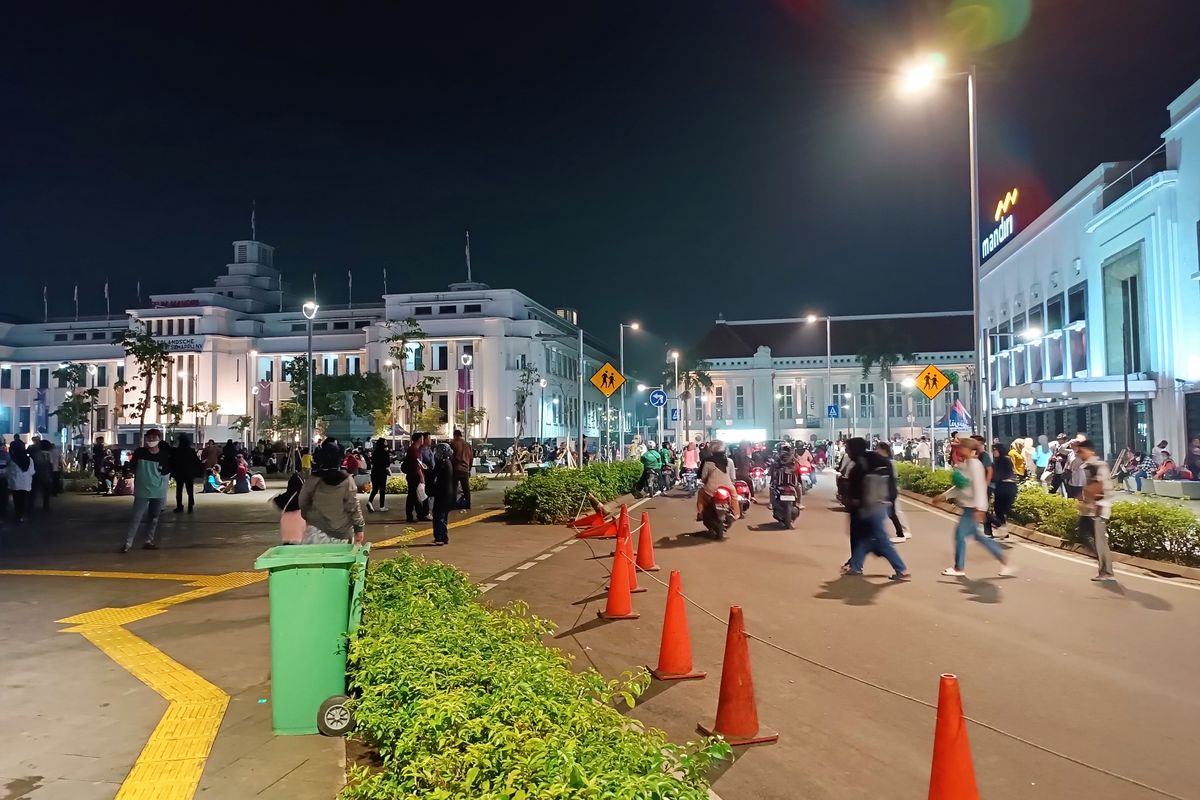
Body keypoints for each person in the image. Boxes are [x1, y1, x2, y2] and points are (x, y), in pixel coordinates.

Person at [934, 438, 1012, 577]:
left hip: (973, 508)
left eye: (961, 447)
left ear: (970, 450)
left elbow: (980, 487)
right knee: (979, 537)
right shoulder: (966, 465)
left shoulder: (975, 465)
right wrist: (944, 496)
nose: (958, 450)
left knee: (959, 536)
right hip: (969, 507)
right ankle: (1003, 559)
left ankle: (959, 568)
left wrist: (980, 508)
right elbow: (961, 486)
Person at [843, 438, 909, 580]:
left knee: (880, 540)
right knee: (865, 539)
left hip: (869, 507)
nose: (847, 452)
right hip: (882, 504)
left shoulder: (860, 464)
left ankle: (901, 569)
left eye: (848, 448)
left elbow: (856, 491)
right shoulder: (880, 460)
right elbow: (891, 483)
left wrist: (853, 504)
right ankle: (855, 565)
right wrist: (890, 500)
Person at [298, 440, 365, 545]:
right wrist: (359, 529)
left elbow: (302, 503)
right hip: (341, 535)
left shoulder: (313, 479)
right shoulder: (347, 480)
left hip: (315, 532)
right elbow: (353, 506)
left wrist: (309, 516)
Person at [120, 429, 171, 553]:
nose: (151, 440)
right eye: (149, 437)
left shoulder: (164, 455)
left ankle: (149, 541)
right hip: (142, 490)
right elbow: (132, 467)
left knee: (153, 517)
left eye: (154, 437)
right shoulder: (140, 452)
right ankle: (128, 543)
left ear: (159, 439)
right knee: (136, 517)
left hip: (158, 491)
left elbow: (165, 471)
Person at [1075, 439, 1115, 582]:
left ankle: (1107, 571)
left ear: (1090, 450)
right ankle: (1104, 566)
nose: (1079, 454)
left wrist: (1092, 503)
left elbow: (1100, 487)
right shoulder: (1088, 465)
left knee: (1100, 542)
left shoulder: (1098, 465)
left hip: (1098, 508)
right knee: (1084, 534)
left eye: (1081, 451)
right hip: (1091, 509)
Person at [698, 440, 739, 521]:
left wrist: (705, 481)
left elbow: (703, 477)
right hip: (728, 487)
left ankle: (701, 514)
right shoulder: (730, 461)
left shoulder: (707, 461)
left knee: (701, 494)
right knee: (734, 497)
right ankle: (736, 514)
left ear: (711, 449)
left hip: (711, 489)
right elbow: (733, 477)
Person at [875, 442, 908, 542]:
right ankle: (898, 534)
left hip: (888, 491)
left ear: (883, 450)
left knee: (890, 514)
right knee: (889, 514)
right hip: (888, 491)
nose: (877, 451)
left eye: (878, 449)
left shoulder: (888, 462)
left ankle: (900, 534)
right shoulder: (885, 461)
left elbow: (890, 477)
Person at [988, 443, 1018, 537]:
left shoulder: (1005, 460)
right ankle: (1004, 531)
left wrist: (992, 479)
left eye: (994, 450)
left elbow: (1001, 474)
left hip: (1007, 486)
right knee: (999, 509)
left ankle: (1024, 521)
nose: (993, 452)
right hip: (1002, 486)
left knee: (1004, 509)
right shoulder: (998, 460)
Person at [428, 442, 455, 545]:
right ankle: (444, 536)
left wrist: (427, 470)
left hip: (441, 493)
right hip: (447, 493)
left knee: (438, 515)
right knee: (443, 516)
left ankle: (439, 537)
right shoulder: (448, 462)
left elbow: (434, 474)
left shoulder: (442, 463)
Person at [170, 433, 202, 513]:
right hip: (189, 473)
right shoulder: (191, 451)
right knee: (190, 490)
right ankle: (190, 506)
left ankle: (179, 506)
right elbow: (196, 462)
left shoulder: (177, 451)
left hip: (179, 473)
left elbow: (173, 461)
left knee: (179, 490)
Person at [5, 439, 35, 522]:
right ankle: (21, 515)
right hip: (26, 484)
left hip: (15, 484)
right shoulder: (30, 460)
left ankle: (18, 514)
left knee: (16, 500)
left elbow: (8, 472)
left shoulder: (12, 460)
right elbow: (32, 472)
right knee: (23, 500)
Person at [403, 433, 429, 522]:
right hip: (414, 476)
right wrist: (421, 476)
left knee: (415, 496)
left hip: (413, 475)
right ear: (419, 439)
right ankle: (411, 516)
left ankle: (419, 515)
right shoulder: (413, 450)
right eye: (422, 438)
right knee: (412, 496)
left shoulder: (416, 449)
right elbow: (416, 465)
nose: (423, 440)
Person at [450, 429, 474, 509]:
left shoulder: (453, 444)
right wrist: (469, 469)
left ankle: (453, 504)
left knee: (454, 487)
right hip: (465, 469)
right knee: (466, 488)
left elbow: (451, 457)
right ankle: (468, 504)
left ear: (455, 435)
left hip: (456, 468)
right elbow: (471, 458)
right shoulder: (467, 445)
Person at [367, 438, 392, 512]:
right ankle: (382, 506)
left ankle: (370, 501)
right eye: (385, 442)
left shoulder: (375, 452)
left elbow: (373, 461)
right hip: (382, 472)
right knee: (382, 489)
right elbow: (387, 463)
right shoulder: (385, 452)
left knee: (375, 489)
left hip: (374, 471)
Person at [30, 439, 54, 512]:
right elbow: (50, 465)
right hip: (46, 475)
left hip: (36, 475)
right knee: (46, 492)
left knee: (33, 491)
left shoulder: (37, 454)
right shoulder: (49, 454)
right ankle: (45, 506)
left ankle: (30, 506)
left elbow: (36, 464)